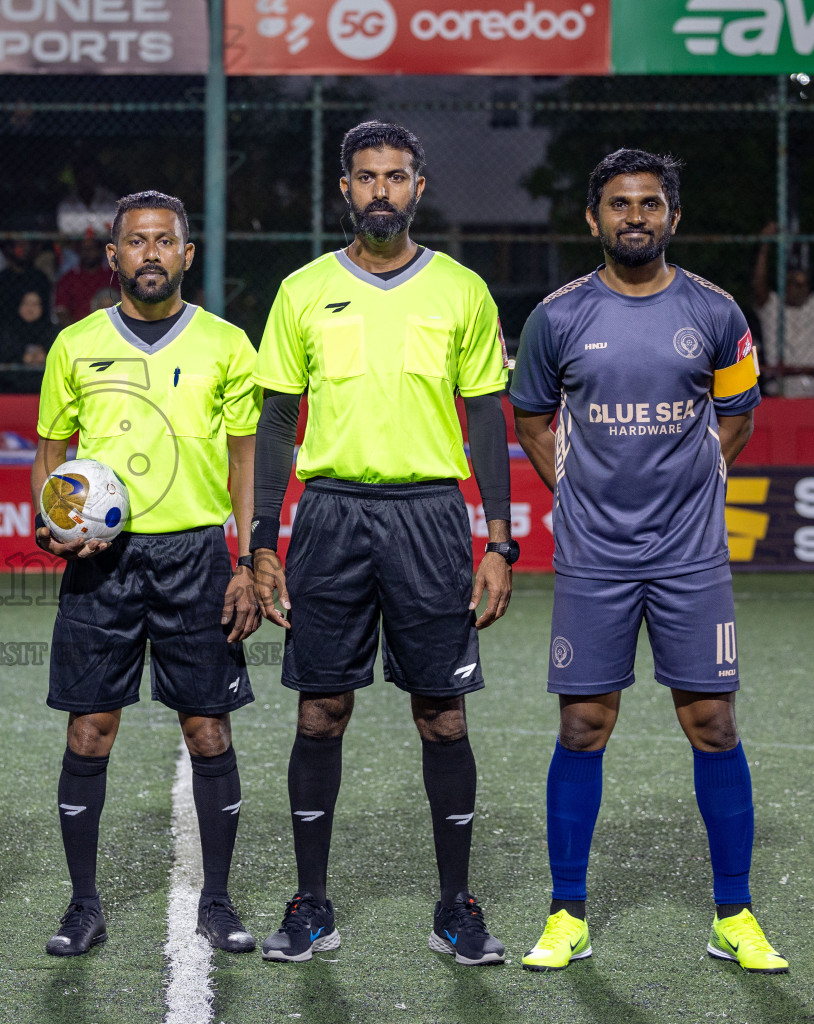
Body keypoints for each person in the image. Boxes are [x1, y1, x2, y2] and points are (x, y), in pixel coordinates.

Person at [510, 149, 786, 974]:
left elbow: (737, 412)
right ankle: (568, 914)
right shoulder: (556, 317)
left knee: (714, 724)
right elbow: (529, 417)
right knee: (583, 726)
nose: (635, 217)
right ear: (594, 220)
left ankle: (733, 913)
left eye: (651, 204)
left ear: (673, 217)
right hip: (594, 558)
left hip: (691, 557)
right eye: (620, 205)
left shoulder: (716, 311)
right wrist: (580, 489)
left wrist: (700, 479)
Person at [250, 121, 515, 965]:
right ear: (345, 190)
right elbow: (278, 420)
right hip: (328, 516)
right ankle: (312, 903)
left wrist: (499, 538)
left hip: (433, 518)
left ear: (418, 189)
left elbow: (484, 419)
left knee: (442, 713)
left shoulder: (462, 292)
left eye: (396, 177)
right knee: (321, 707)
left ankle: (454, 908)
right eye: (366, 177)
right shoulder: (301, 290)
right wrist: (262, 540)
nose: (381, 191)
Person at [32, 191, 263, 957]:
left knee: (207, 728)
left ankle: (220, 902)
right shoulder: (76, 345)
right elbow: (52, 449)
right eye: (137, 241)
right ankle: (83, 905)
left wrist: (244, 558)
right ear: (114, 257)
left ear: (188, 255)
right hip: (106, 565)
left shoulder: (228, 344)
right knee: (91, 729)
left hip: (198, 556)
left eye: (166, 241)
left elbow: (244, 459)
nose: (152, 253)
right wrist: (58, 524)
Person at [751, 223, 814, 398]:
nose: (801, 289)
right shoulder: (773, 305)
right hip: (781, 382)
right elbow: (758, 285)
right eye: (795, 284)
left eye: (804, 285)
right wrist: (764, 246)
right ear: (786, 286)